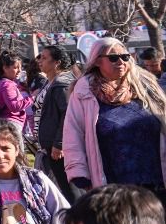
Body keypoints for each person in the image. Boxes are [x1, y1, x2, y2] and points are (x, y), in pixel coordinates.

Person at [62, 36, 166, 197]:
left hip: (155, 182)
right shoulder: (84, 92)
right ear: (97, 61)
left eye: (125, 57)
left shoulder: (146, 86)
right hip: (113, 187)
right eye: (113, 58)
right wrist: (79, 173)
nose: (121, 62)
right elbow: (72, 133)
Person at [35, 47, 76, 201]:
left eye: (44, 58)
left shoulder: (62, 84)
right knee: (58, 187)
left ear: (57, 63)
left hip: (58, 148)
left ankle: (79, 220)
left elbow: (67, 115)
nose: (40, 60)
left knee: (68, 188)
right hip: (49, 146)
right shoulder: (50, 81)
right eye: (40, 57)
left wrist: (59, 143)